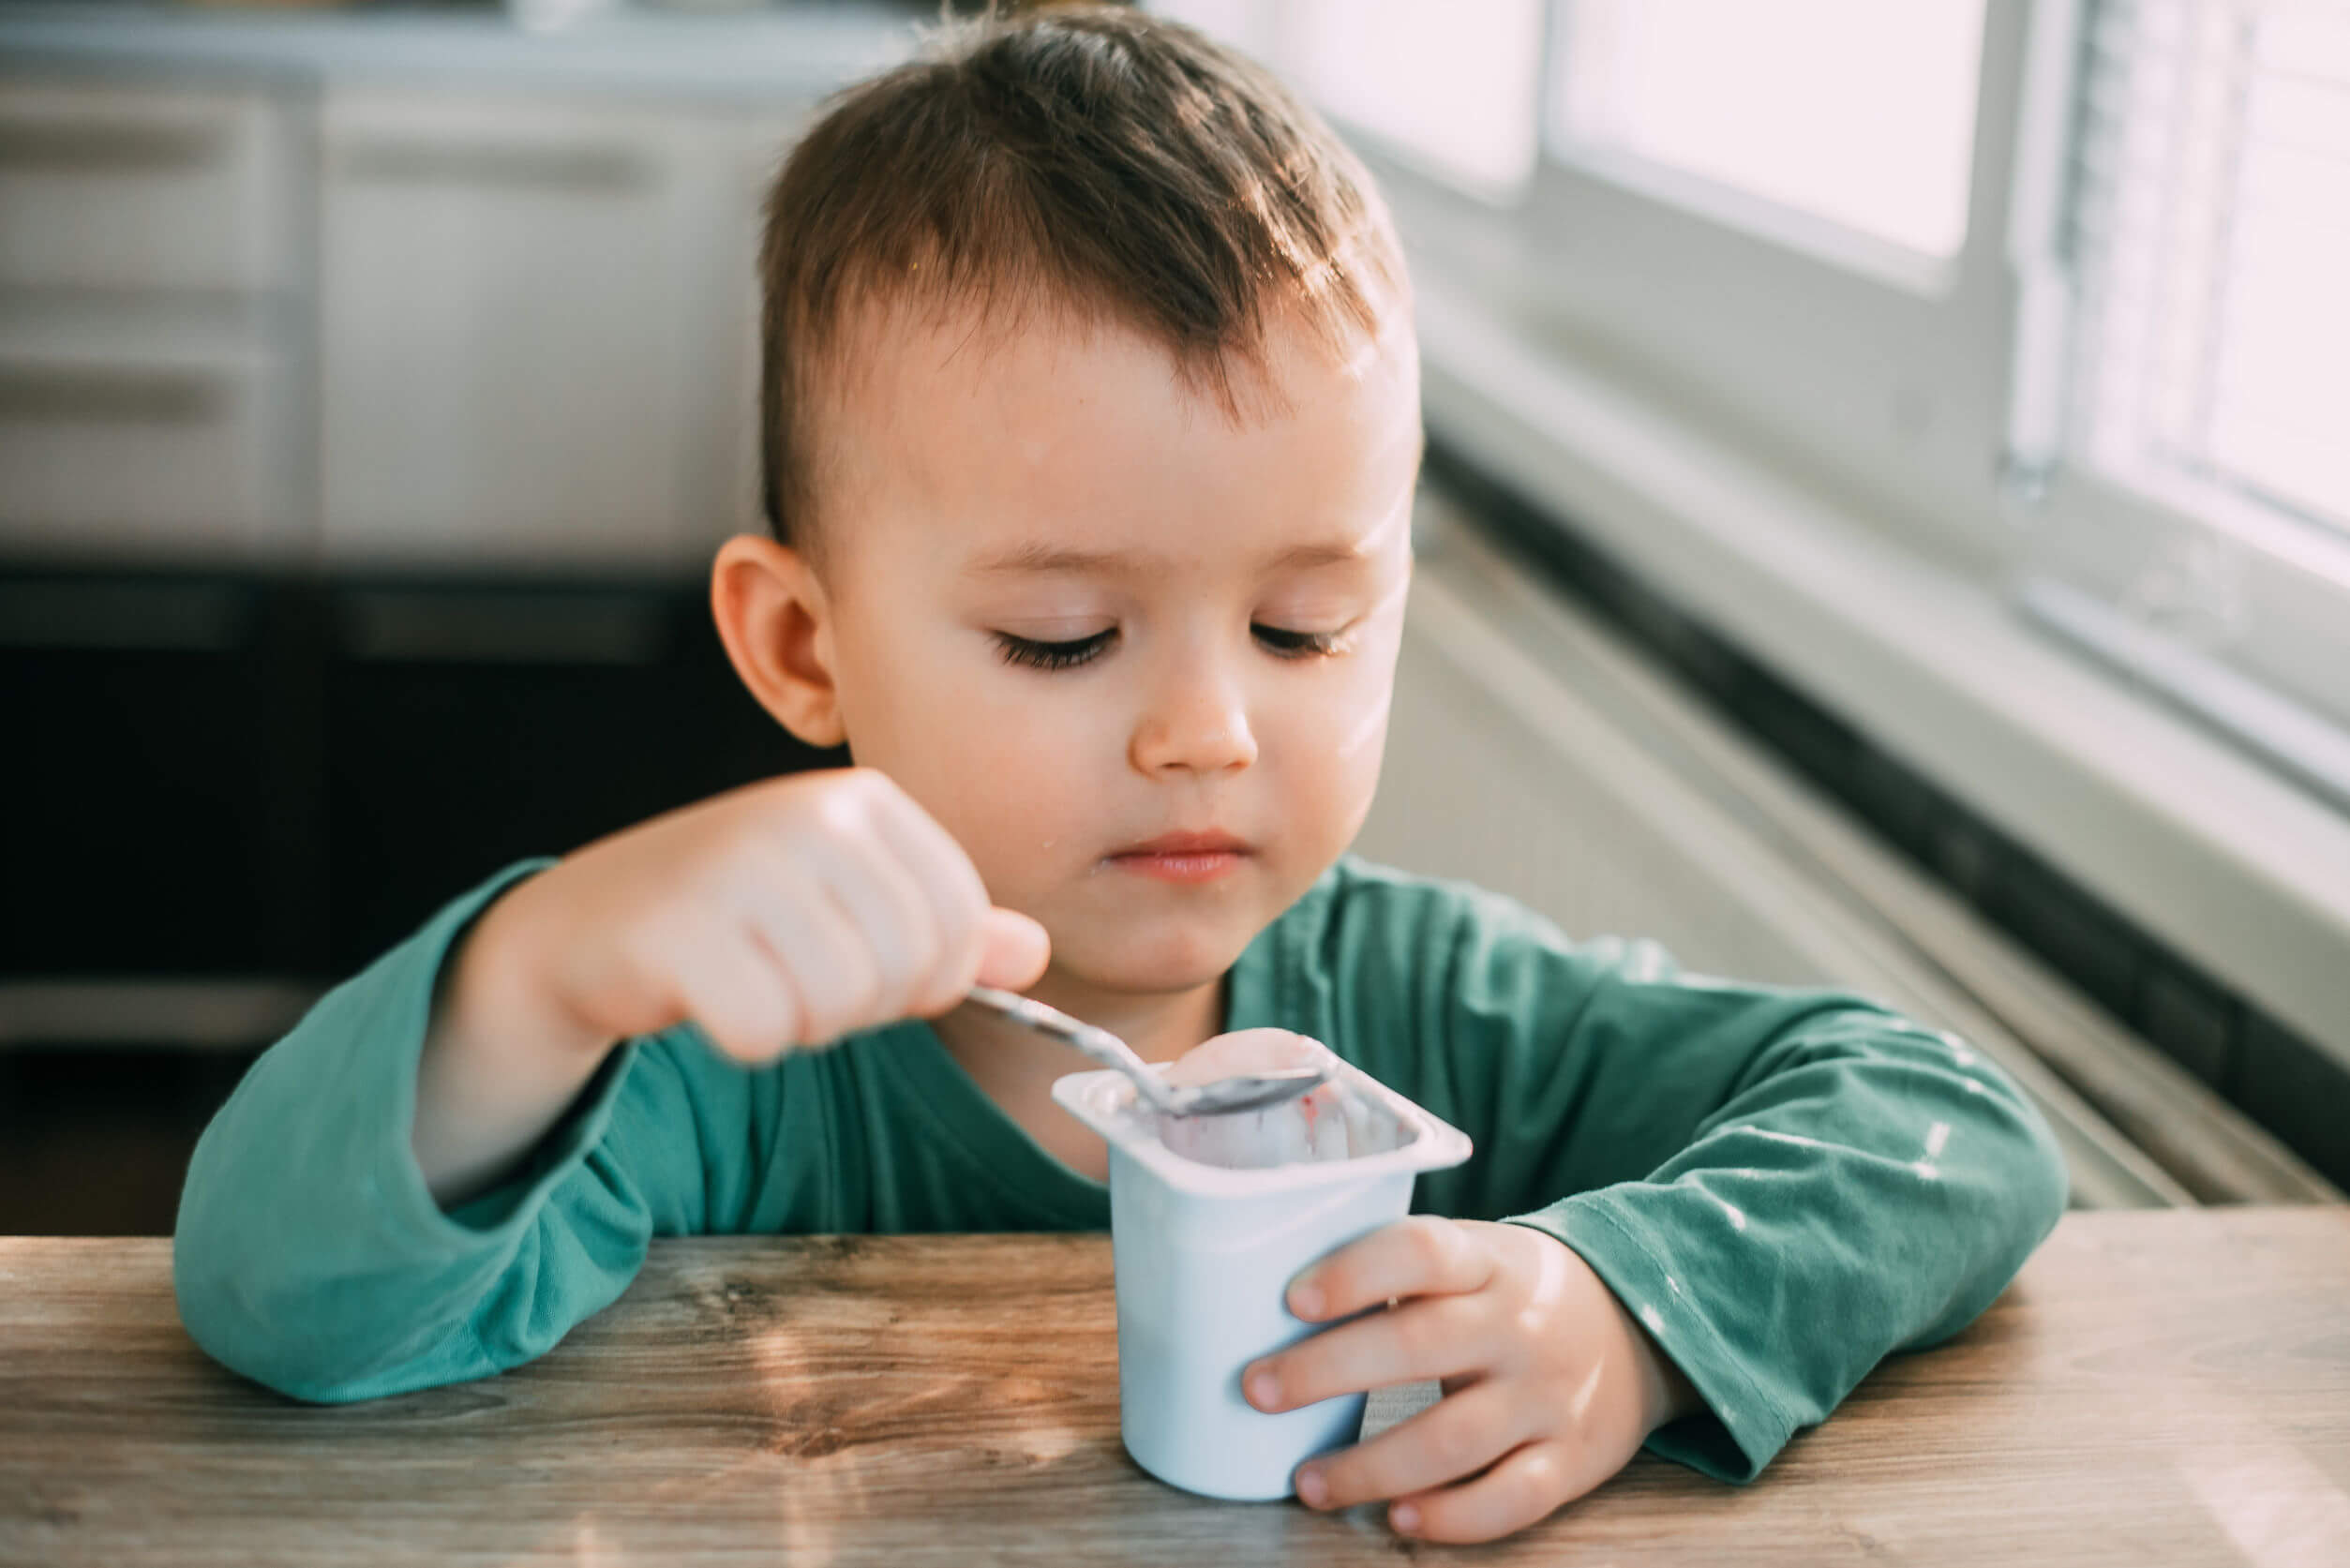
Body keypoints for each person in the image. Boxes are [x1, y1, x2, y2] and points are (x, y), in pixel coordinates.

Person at [174, 7, 2068, 1546]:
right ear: (802, 650)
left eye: (1308, 627)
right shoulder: (715, 1074)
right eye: (1069, 638)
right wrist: (547, 968)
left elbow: (1945, 1126)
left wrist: (1634, 1315)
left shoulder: (1440, 1016)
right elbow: (277, 1301)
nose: (1207, 734)